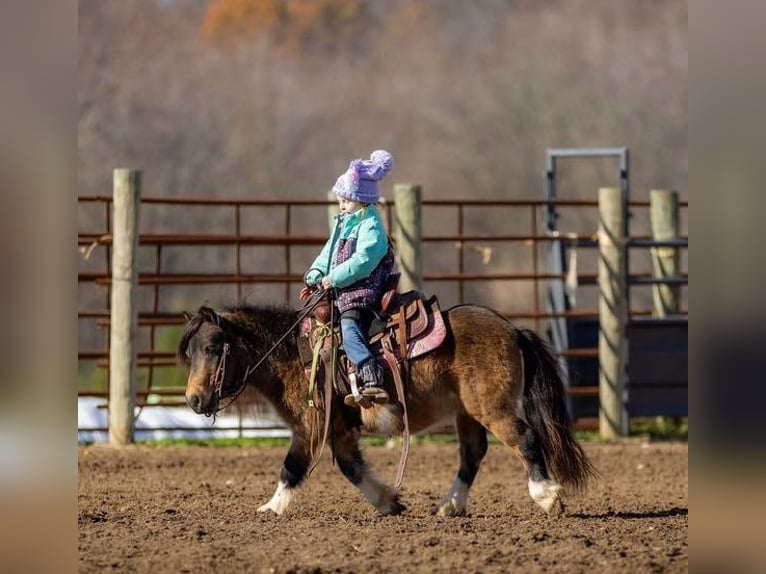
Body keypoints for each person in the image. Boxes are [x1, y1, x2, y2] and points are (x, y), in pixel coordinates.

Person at [300, 149, 395, 405]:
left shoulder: (371, 226)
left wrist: (334, 278)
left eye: (347, 200)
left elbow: (363, 262)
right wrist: (315, 274)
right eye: (341, 199)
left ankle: (369, 372)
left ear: (363, 200)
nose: (341, 204)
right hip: (345, 285)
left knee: (349, 324)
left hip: (363, 288)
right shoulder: (344, 224)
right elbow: (327, 255)